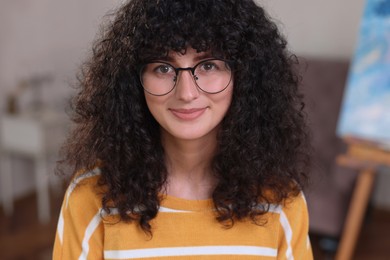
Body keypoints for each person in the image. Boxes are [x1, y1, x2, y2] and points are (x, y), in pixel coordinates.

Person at [53, 0, 313, 259]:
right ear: (133, 82)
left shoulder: (282, 201)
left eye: (208, 65)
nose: (186, 93)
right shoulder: (90, 198)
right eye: (163, 68)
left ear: (244, 76)